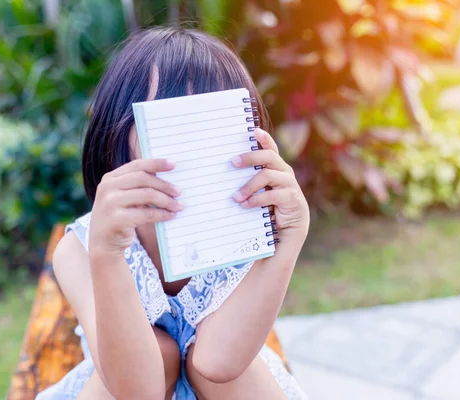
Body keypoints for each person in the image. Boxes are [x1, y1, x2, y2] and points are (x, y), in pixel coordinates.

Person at [36, 26, 310, 400]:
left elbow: (218, 365)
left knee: (217, 369)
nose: (193, 151)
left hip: (231, 382)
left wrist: (289, 238)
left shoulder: (244, 231)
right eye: (172, 126)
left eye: (211, 127)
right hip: (124, 385)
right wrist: (108, 254)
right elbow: (136, 390)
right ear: (117, 132)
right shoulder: (80, 249)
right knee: (160, 353)